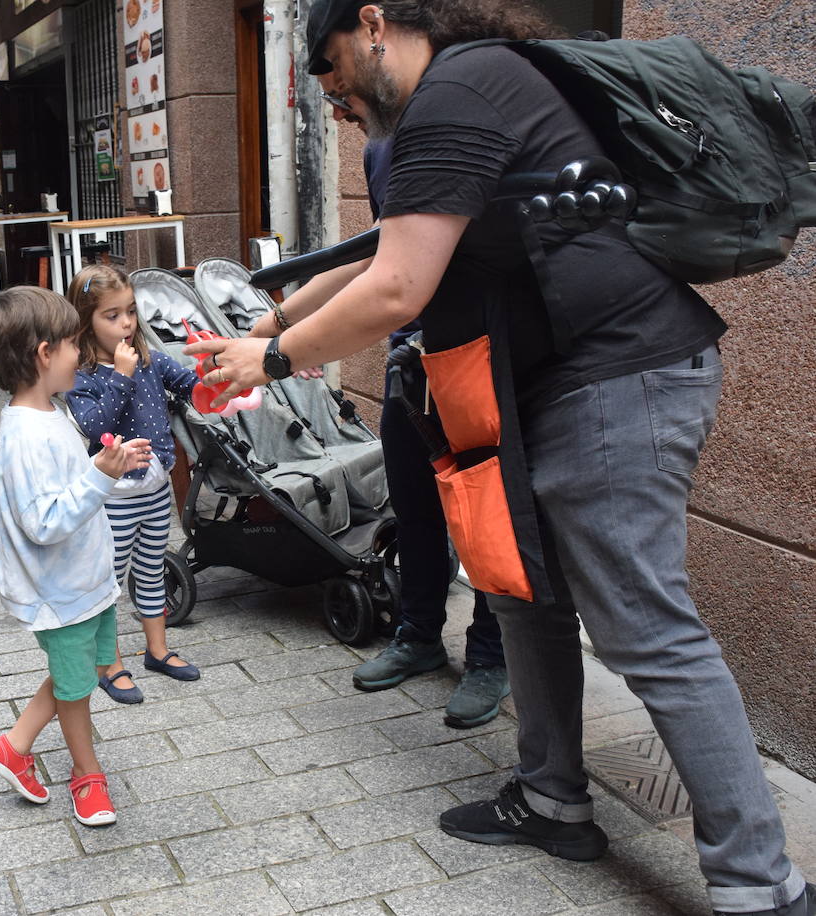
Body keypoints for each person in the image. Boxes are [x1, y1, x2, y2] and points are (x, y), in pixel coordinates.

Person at [187, 2, 813, 914]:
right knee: (524, 596)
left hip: (615, 376)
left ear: (372, 24)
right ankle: (553, 797)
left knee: (647, 630)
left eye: (325, 64)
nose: (324, 92)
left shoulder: (459, 92)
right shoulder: (452, 103)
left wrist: (274, 360)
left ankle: (763, 884)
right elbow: (380, 256)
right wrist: (272, 318)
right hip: (540, 390)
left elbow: (399, 288)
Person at [317, 74, 510, 728]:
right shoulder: (378, 149)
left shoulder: (463, 120)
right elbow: (379, 258)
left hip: (476, 355)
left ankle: (491, 653)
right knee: (417, 506)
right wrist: (283, 326)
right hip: (410, 359)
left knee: (484, 515)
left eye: (341, 93)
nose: (339, 113)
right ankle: (419, 635)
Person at [0, 284, 153, 827]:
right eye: (74, 344)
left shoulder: (50, 413)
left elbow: (68, 488)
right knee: (76, 684)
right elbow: (45, 521)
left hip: (83, 582)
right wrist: (100, 476)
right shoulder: (27, 434)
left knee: (81, 670)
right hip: (60, 590)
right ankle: (86, 774)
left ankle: (14, 746)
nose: (82, 353)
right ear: (44, 354)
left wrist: (104, 461)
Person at [64, 265, 202, 703]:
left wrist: (220, 375)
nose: (126, 323)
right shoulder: (81, 375)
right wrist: (120, 377)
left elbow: (190, 382)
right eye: (112, 316)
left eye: (130, 312)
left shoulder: (148, 357)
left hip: (155, 489)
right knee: (110, 579)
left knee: (150, 569)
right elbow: (94, 426)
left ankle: (157, 650)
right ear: (85, 322)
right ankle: (110, 664)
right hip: (113, 497)